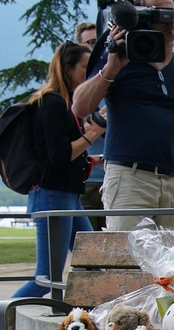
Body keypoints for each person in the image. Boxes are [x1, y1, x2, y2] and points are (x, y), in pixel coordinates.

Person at [72, 0, 174, 231]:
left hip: (173, 179)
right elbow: (79, 107)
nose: (170, 19)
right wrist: (110, 68)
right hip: (129, 177)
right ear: (143, 18)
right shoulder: (121, 64)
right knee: (127, 260)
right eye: (160, 12)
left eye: (173, 12)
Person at [13, 42, 105, 299]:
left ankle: (86, 314)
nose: (88, 74)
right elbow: (59, 156)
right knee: (46, 278)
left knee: (93, 262)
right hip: (52, 196)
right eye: (84, 68)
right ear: (67, 69)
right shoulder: (52, 102)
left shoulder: (66, 104)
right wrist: (93, 134)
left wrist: (91, 158)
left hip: (68, 196)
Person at [74, 21, 107, 231]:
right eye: (90, 42)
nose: (94, 48)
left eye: (99, 42)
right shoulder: (73, 92)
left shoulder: (116, 84)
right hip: (84, 181)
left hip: (114, 178)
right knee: (87, 252)